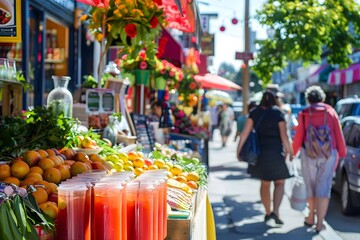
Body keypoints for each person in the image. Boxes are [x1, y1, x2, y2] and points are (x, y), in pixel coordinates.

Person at [292, 85, 346, 232]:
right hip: (329, 154)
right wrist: (342, 152)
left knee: (311, 186)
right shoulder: (330, 112)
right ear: (322, 98)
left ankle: (310, 216)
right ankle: (320, 223)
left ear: (308, 99)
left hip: (308, 154)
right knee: (324, 187)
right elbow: (338, 133)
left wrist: (293, 151)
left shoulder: (304, 113)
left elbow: (299, 136)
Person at [236, 90, 294, 226]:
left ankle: (268, 212)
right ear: (275, 99)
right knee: (280, 182)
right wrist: (290, 152)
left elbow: (245, 133)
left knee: (265, 183)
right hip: (276, 153)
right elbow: (284, 136)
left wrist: (238, 151)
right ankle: (276, 211)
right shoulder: (278, 113)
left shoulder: (254, 112)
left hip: (260, 154)